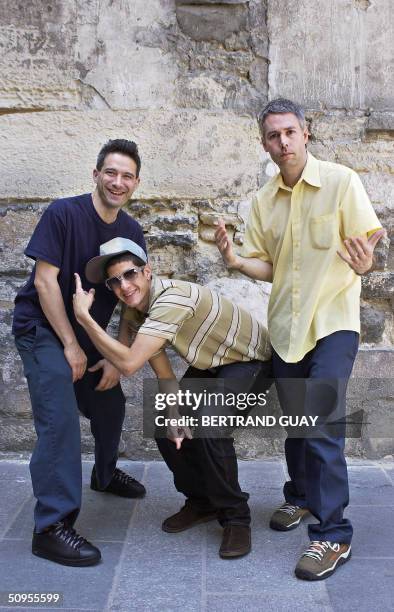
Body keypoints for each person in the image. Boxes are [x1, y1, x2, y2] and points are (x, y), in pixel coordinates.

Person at [214, 98, 385, 580]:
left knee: (323, 425)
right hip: (288, 329)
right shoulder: (263, 201)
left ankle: (333, 536)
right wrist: (235, 261)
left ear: (306, 133)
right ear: (264, 142)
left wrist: (365, 264)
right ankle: (303, 497)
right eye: (273, 135)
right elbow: (271, 264)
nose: (283, 142)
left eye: (290, 132)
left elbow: (365, 248)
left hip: (332, 322)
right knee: (297, 424)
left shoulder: (341, 182)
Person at [72, 237, 272, 559]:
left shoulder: (172, 299)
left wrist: (85, 318)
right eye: (115, 280)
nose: (124, 285)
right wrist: (175, 416)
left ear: (147, 272)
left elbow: (129, 362)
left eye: (130, 274)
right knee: (165, 422)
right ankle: (202, 501)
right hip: (211, 363)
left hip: (251, 360)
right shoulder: (136, 310)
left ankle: (236, 518)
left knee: (209, 427)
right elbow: (164, 375)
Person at [13, 140, 147, 567]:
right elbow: (45, 283)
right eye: (111, 172)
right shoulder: (64, 214)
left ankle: (104, 474)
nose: (118, 182)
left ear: (136, 183)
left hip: (87, 335)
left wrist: (118, 352)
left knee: (110, 404)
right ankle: (51, 527)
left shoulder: (132, 231)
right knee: (61, 418)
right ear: (96, 174)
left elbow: (133, 299)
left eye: (127, 176)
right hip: (42, 328)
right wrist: (70, 345)